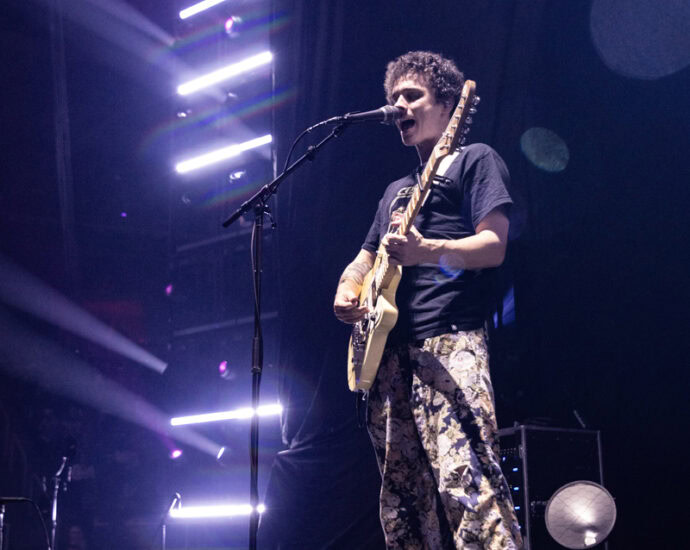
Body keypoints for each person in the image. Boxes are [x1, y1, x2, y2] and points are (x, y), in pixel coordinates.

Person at [333, 51, 523, 549]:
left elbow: (494, 247)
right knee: (402, 504)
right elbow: (364, 258)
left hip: (451, 343)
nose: (399, 105)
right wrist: (347, 289)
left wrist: (426, 250)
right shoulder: (395, 192)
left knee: (470, 484)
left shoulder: (474, 159)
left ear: (447, 105)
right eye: (394, 97)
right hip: (387, 356)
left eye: (412, 95)